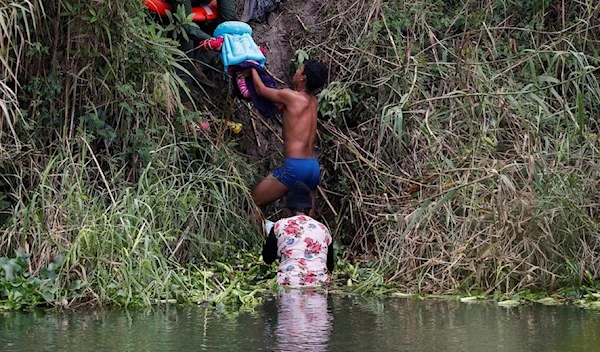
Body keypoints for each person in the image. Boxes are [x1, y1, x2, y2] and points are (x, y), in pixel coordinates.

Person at [239, 58, 328, 215]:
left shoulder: (291, 96)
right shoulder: (313, 102)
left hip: (296, 167)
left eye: (298, 70)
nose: (296, 73)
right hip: (313, 167)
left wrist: (252, 69)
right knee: (306, 220)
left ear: (303, 78)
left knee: (254, 202)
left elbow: (261, 90)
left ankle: (262, 238)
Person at [262, 181, 334, 287]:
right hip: (319, 284)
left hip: (290, 283)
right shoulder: (323, 229)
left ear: (288, 209)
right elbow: (330, 266)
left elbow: (268, 259)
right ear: (309, 209)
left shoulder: (279, 226)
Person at [167, 0, 237, 99]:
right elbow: (185, 25)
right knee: (185, 39)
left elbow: (229, 18)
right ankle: (184, 96)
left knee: (228, 23)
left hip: (198, 4)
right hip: (179, 8)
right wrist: (209, 40)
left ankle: (199, 63)